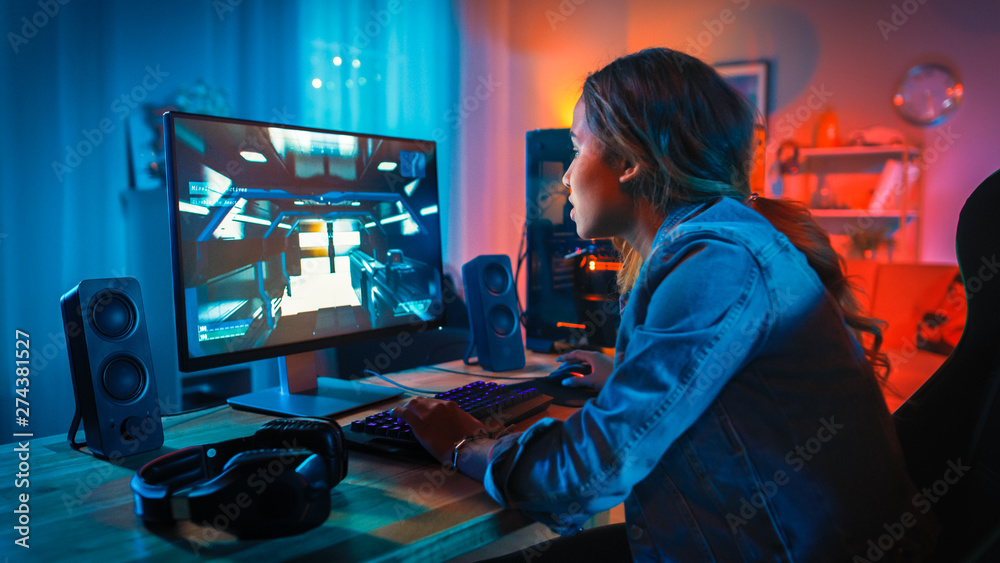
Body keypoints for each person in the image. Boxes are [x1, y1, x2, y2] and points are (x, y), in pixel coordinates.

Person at [392, 48, 937, 561]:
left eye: (578, 148)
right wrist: (622, 377)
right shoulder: (719, 241)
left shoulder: (717, 263)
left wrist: (463, 445)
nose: (565, 173)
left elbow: (587, 476)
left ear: (628, 161)